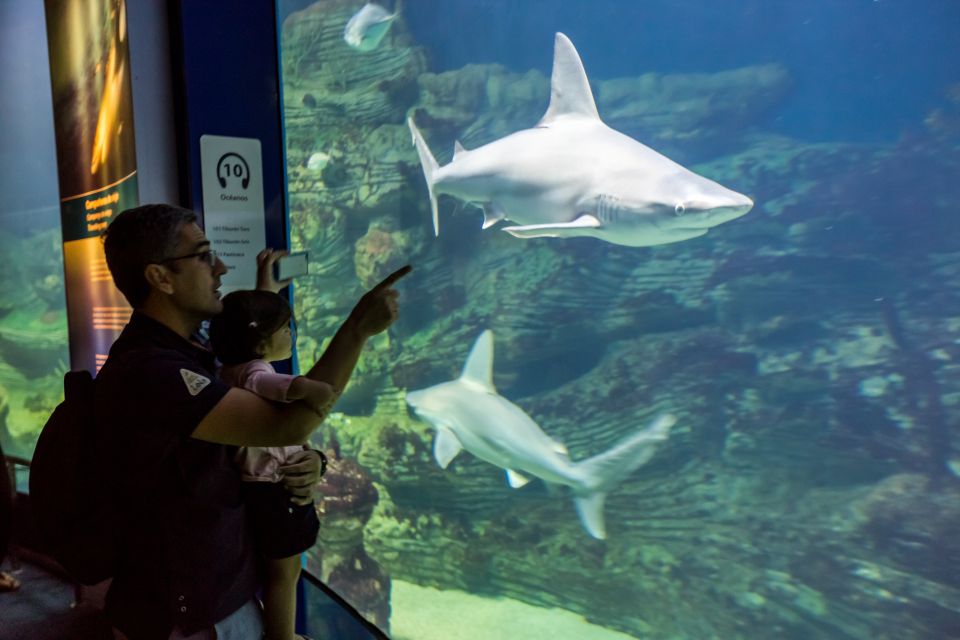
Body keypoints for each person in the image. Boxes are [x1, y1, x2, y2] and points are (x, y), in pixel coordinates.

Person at [96, 203, 410, 640]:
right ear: (160, 277)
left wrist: (307, 463)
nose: (221, 268)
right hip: (188, 619)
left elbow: (246, 431)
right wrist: (357, 327)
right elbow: (286, 426)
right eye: (203, 255)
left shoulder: (192, 350)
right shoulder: (154, 371)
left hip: (213, 597)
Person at [209, 289, 336, 640]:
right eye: (285, 329)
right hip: (273, 483)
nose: (291, 335)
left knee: (277, 567)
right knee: (286, 569)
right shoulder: (253, 371)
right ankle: (283, 636)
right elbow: (267, 383)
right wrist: (309, 388)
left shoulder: (226, 370)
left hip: (255, 482)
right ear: (261, 341)